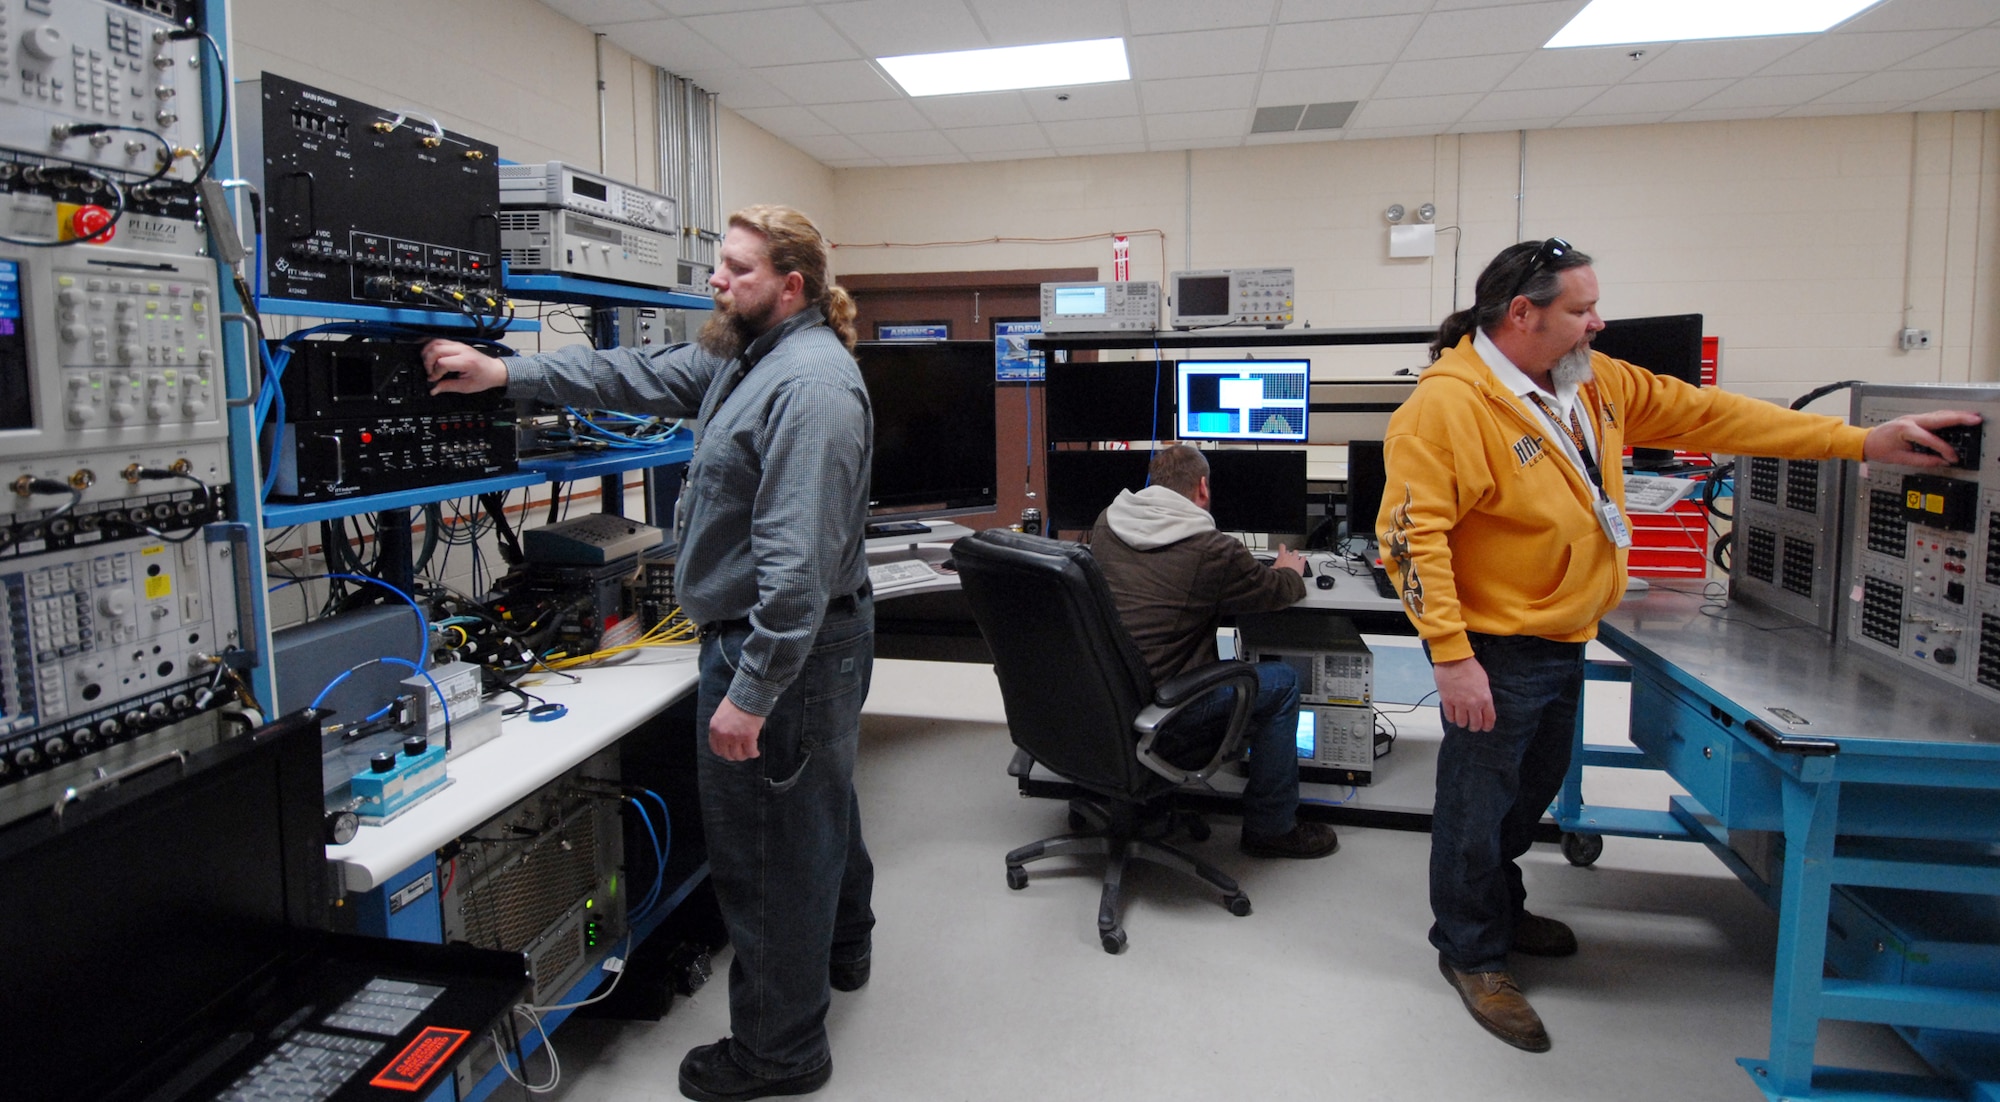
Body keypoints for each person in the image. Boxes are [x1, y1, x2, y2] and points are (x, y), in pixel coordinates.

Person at [1377, 237, 1982, 1054]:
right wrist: (1450, 658)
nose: (1600, 321)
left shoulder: (1590, 383)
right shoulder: (1447, 407)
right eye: (1581, 309)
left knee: (1526, 797)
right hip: (1494, 648)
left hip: (1559, 638)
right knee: (1477, 808)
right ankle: (1471, 953)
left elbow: (1711, 415)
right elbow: (1412, 539)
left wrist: (1860, 444)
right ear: (1522, 314)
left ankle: (1500, 908)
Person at [425, 205, 875, 1102]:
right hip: (789, 637)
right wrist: (503, 371)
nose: (717, 280)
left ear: (791, 287)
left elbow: (793, 571)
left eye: (739, 270)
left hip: (782, 642)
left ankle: (780, 1052)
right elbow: (627, 369)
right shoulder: (748, 355)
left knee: (766, 852)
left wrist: (749, 695)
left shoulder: (810, 387)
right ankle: (843, 945)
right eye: (720, 264)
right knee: (813, 813)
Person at [1089, 444, 1341, 859]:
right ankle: (1272, 827)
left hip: (1104, 698)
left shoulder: (1107, 522)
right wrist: (1290, 571)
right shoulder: (1213, 549)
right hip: (1166, 707)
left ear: (1153, 483)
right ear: (1202, 488)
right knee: (1282, 684)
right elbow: (1276, 591)